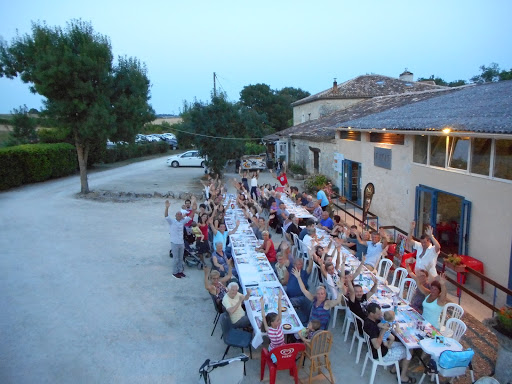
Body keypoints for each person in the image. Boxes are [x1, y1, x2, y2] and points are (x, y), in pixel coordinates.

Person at [364, 303, 415, 383]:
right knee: (409, 350)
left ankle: (394, 369)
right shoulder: (372, 327)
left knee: (403, 345)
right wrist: (383, 331)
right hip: (381, 354)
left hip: (377, 349)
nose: (380, 314)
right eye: (378, 314)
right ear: (371, 314)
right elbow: (376, 345)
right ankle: (402, 377)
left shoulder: (368, 320)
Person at [347, 263, 378, 333]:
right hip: (363, 325)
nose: (359, 293)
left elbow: (372, 291)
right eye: (357, 292)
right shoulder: (353, 301)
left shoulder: (363, 296)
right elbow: (351, 291)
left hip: (369, 319)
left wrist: (375, 284)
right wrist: (349, 281)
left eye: (360, 291)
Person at [164, 200, 191, 279]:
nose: (179, 215)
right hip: (174, 243)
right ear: (175, 216)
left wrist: (194, 208)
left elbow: (190, 216)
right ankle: (175, 272)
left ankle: (180, 271)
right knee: (175, 258)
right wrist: (167, 207)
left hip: (181, 243)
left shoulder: (182, 222)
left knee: (180, 258)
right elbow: (166, 216)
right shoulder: (172, 222)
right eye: (178, 214)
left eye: (180, 214)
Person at [286, 257, 314, 325]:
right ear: (294, 264)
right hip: (288, 293)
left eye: (301, 264)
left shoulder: (304, 273)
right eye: (298, 264)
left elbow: (310, 267)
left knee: (287, 303)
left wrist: (311, 257)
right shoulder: (291, 270)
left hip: (299, 297)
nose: (300, 266)